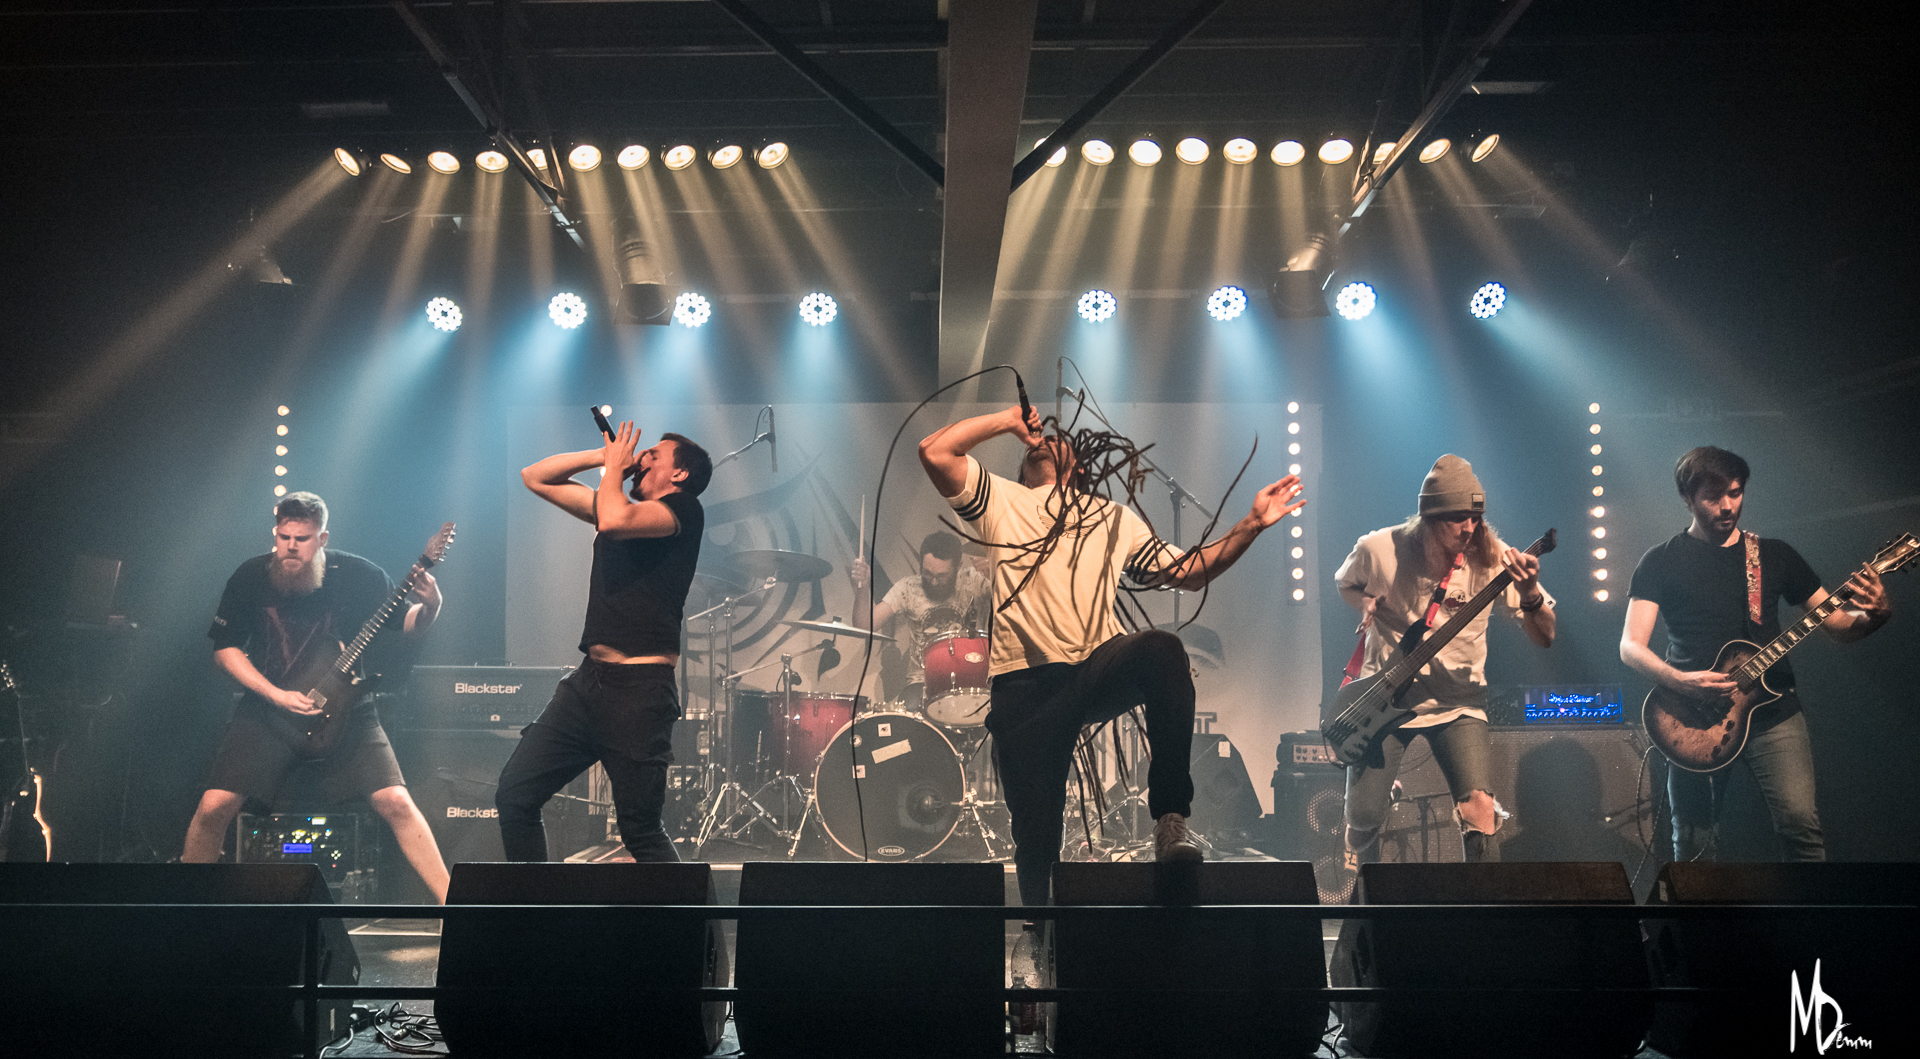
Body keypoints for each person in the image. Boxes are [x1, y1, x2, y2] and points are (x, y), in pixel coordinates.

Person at [918, 404, 1305, 905]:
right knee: (1036, 841)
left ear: (1078, 468)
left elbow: (1187, 572)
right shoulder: (1002, 499)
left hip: (1092, 669)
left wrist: (1250, 524)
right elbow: (936, 450)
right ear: (1022, 468)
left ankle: (1170, 818)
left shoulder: (1111, 517)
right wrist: (1009, 419)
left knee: (1162, 649)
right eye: (1038, 442)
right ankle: (1039, 928)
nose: (1046, 440)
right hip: (1024, 686)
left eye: (1057, 441)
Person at [1619, 446, 1891, 862]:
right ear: (1686, 498)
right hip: (1693, 717)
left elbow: (1837, 626)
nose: (1728, 506)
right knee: (1693, 840)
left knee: (1801, 826)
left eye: (1735, 493)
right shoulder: (1660, 561)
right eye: (1714, 497)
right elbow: (1630, 646)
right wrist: (1680, 681)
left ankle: (1814, 908)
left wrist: (1876, 615)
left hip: (1773, 712)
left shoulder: (1774, 555)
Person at [184, 491, 450, 902]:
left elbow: (409, 623)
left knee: (396, 801)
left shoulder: (358, 573)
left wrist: (432, 605)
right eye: (284, 537)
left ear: (322, 539)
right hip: (267, 707)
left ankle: (457, 907)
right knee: (213, 806)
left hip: (346, 706)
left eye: (302, 539)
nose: (291, 546)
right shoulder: (250, 575)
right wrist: (275, 694)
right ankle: (185, 908)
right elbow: (225, 649)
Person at [499, 420, 712, 862]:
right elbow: (534, 476)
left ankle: (695, 911)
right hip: (587, 685)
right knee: (516, 796)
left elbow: (616, 520)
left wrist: (614, 469)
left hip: (640, 692)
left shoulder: (684, 509)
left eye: (653, 455)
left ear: (679, 474)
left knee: (641, 831)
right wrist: (602, 457)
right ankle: (531, 905)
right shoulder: (616, 504)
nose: (642, 458)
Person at [1335, 455, 1555, 866]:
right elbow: (1345, 584)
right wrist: (1364, 602)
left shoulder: (1494, 558)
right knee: (1361, 820)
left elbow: (1545, 637)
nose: (1469, 527)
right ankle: (1379, 818)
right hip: (1385, 699)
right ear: (1428, 518)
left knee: (1480, 810)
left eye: (1476, 517)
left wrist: (1530, 594)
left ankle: (1482, 900)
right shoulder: (1379, 549)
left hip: (1458, 703)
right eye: (1456, 518)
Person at [849, 530, 991, 710]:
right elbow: (865, 625)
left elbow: (1015, 602)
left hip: (972, 674)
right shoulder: (908, 587)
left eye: (942, 576)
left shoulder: (975, 580)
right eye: (927, 573)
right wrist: (862, 588)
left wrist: (993, 574)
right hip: (922, 682)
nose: (933, 581)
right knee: (908, 712)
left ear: (958, 567)